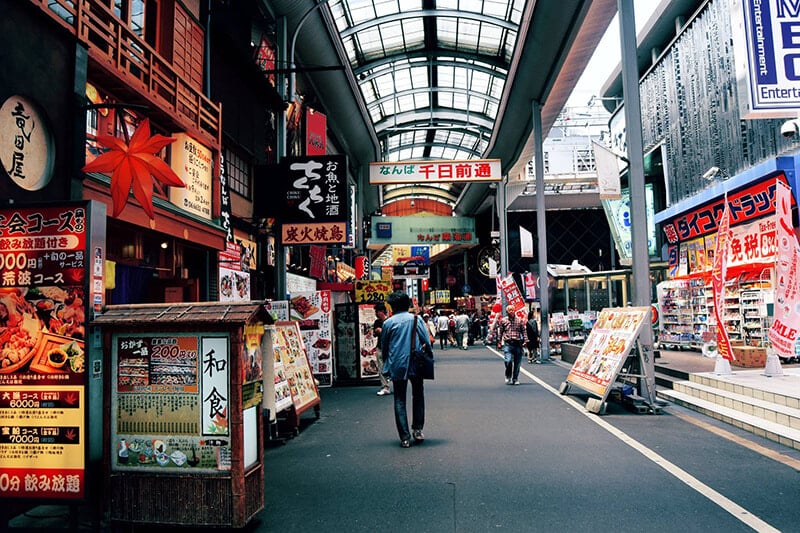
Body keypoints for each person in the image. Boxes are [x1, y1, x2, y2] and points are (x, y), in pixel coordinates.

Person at [380, 291, 432, 448]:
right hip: (416, 362)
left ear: (393, 306)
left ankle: (404, 437)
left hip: (397, 364)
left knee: (399, 399)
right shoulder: (416, 319)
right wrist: (429, 356)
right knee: (418, 395)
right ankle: (418, 430)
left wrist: (387, 363)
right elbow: (426, 341)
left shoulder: (388, 323)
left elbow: (385, 346)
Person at [495, 305, 528, 385]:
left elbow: (523, 331)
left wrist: (526, 340)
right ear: (507, 312)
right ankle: (508, 375)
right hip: (508, 344)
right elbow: (500, 332)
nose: (511, 311)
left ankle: (515, 378)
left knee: (517, 363)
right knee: (508, 360)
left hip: (518, 343)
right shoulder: (503, 321)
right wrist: (499, 341)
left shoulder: (519, 320)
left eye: (513, 310)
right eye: (510, 310)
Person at [373, 302, 391, 396]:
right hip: (380, 347)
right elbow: (375, 333)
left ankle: (392, 382)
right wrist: (377, 331)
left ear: (382, 311)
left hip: (390, 348)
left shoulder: (390, 321)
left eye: (377, 311)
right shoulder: (377, 322)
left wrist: (382, 331)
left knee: (391, 366)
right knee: (381, 367)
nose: (376, 313)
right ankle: (385, 386)